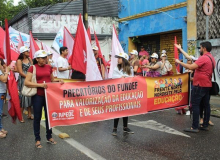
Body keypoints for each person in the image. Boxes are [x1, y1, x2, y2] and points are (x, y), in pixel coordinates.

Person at [25, 50, 63, 148]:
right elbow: (27, 82)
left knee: (49, 117)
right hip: (37, 95)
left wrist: (59, 80)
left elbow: (52, 79)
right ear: (37, 59)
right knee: (37, 118)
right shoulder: (32, 68)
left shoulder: (49, 67)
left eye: (45, 57)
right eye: (42, 58)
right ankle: (37, 139)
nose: (44, 59)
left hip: (48, 96)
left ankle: (49, 137)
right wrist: (40, 85)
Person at [175, 41, 215, 133]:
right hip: (207, 85)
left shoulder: (203, 58)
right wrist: (180, 48)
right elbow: (189, 57)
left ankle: (195, 126)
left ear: (204, 48)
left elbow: (191, 66)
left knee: (196, 105)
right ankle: (205, 125)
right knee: (206, 105)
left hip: (199, 85)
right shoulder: (211, 58)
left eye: (200, 48)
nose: (200, 49)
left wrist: (179, 62)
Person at [112, 52, 134, 136]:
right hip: (118, 92)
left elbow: (132, 79)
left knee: (126, 109)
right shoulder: (116, 68)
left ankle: (125, 127)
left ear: (123, 59)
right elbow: (113, 78)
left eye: (119, 58)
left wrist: (126, 78)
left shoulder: (130, 68)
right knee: (117, 109)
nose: (118, 59)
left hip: (126, 92)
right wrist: (120, 78)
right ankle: (114, 128)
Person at [16, 46, 33, 122]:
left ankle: (29, 114)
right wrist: (28, 77)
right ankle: (20, 116)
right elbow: (20, 72)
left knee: (30, 95)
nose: (29, 53)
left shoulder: (29, 59)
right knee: (23, 97)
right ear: (23, 52)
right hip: (23, 80)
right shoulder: (19, 61)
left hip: (30, 79)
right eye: (27, 51)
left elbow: (32, 68)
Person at [0, 63, 9, 138]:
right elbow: (4, 79)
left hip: (1, 92)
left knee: (0, 111)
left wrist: (3, 69)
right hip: (0, 92)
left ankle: (0, 128)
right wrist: (7, 71)